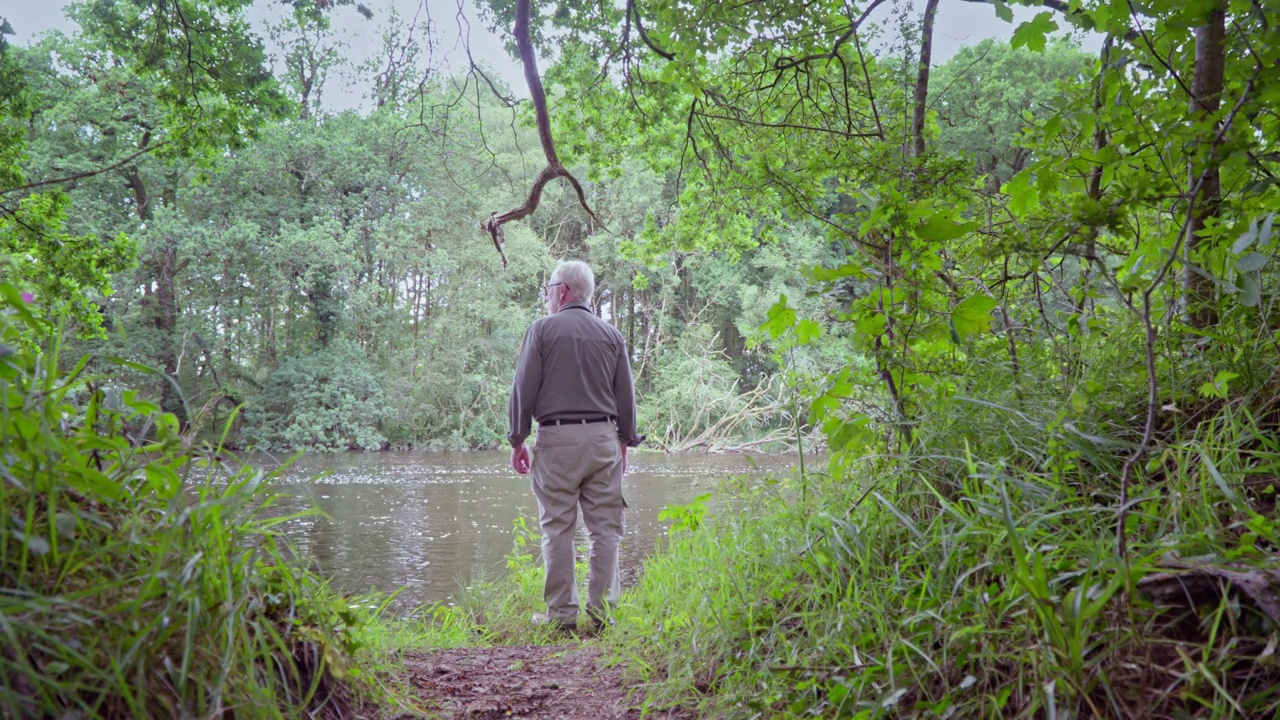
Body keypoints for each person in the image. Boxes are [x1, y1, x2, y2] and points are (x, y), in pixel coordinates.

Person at [507, 259, 643, 634]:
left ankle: (562, 616)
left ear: (562, 290)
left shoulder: (543, 331)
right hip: (603, 439)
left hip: (556, 439)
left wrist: (518, 438)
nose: (548, 297)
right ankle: (603, 616)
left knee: (557, 528)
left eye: (549, 289)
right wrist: (625, 441)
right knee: (605, 530)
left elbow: (524, 388)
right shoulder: (612, 336)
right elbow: (626, 397)